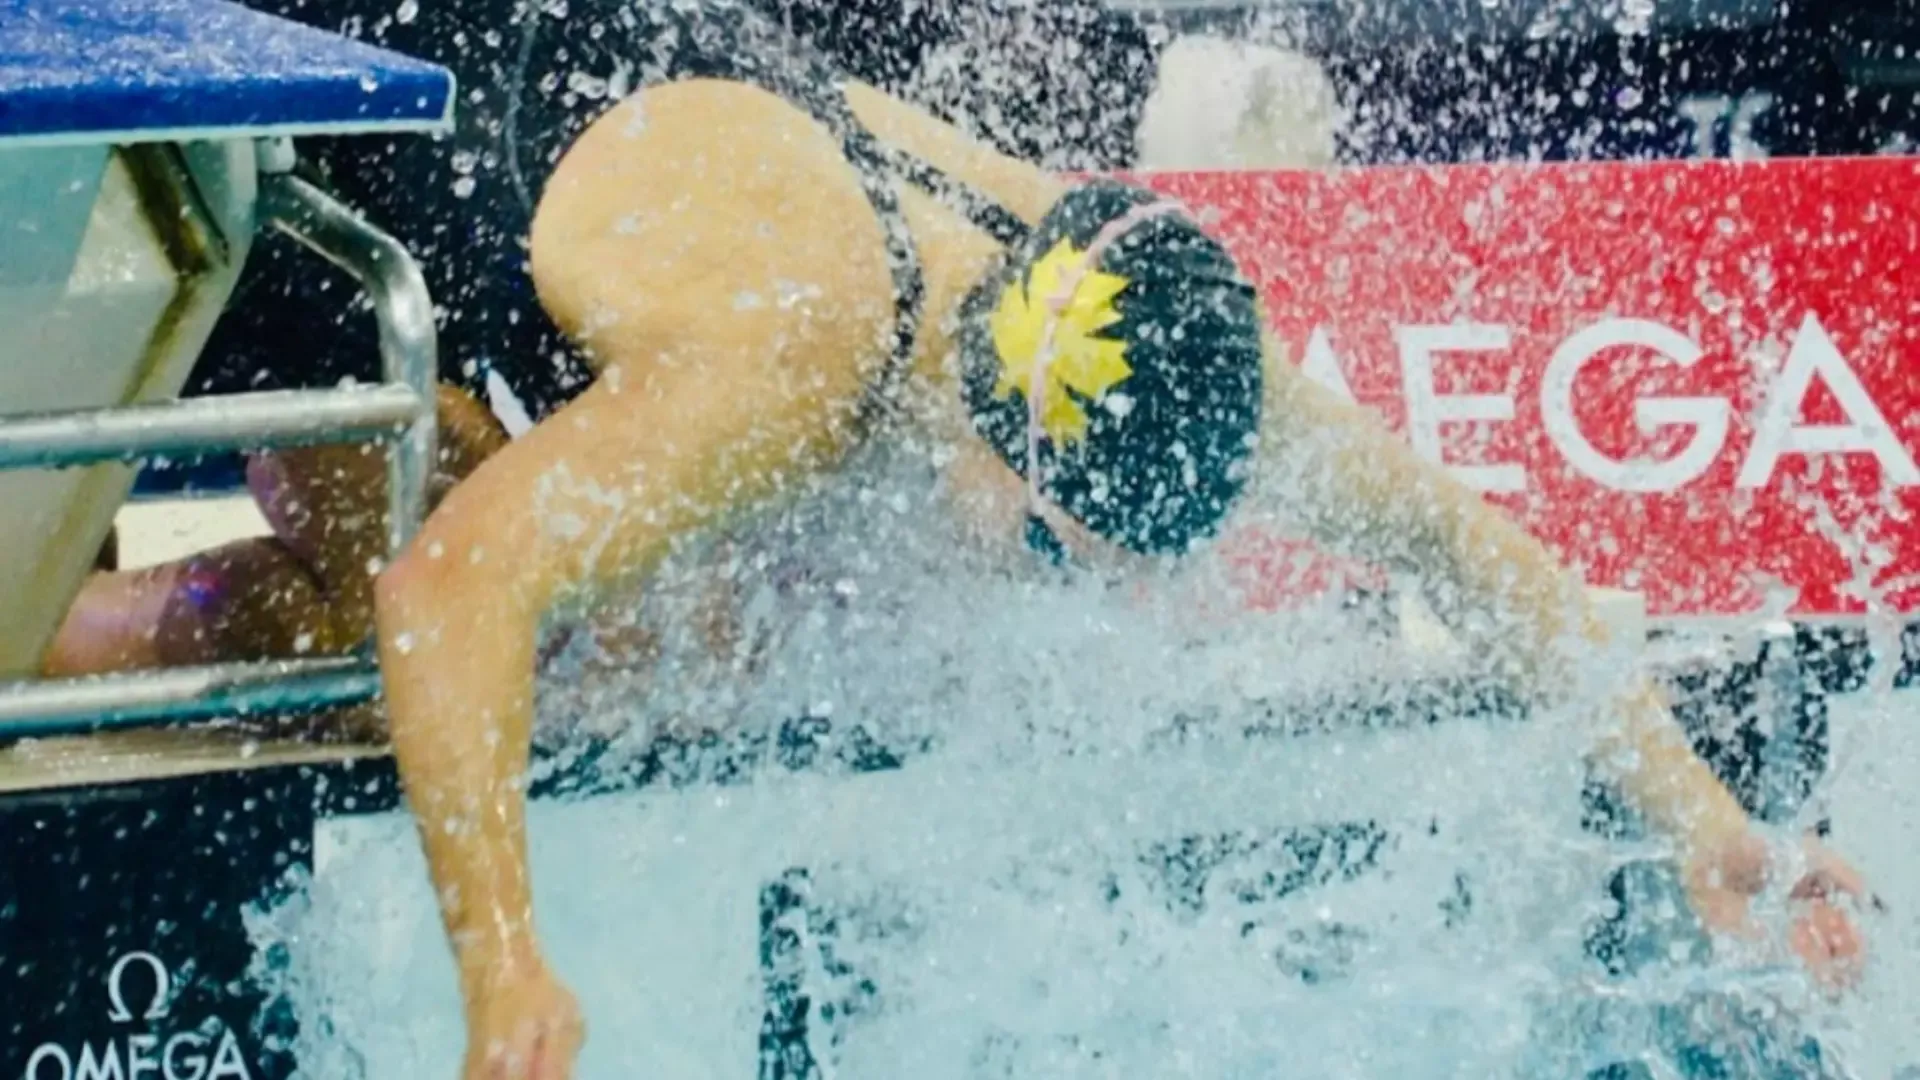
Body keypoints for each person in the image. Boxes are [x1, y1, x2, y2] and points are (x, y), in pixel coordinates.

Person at [45, 3, 1867, 1078]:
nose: (1065, 597)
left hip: (559, 152)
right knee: (466, 630)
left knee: (654, 638)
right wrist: (506, 963)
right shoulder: (803, 341)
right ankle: (88, 626)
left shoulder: (1112, 293)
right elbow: (452, 603)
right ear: (1005, 469)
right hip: (313, 146)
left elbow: (1472, 547)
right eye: (1059, 557)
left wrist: (1711, 820)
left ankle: (137, 616)